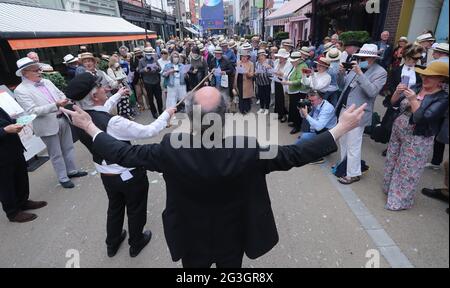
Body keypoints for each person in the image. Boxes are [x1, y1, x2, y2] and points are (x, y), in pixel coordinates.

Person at [64, 85, 367, 268]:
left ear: (191, 117)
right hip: (232, 235)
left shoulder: (171, 149)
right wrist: (340, 129)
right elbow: (293, 155)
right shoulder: (246, 149)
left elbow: (125, 154)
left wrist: (91, 127)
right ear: (226, 114)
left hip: (190, 235)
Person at [65, 72, 176, 257]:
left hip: (106, 174)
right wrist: (167, 113)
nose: (105, 89)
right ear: (94, 95)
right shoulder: (113, 123)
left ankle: (113, 242)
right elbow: (149, 131)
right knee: (135, 208)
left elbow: (100, 108)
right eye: (101, 87)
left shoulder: (78, 116)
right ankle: (136, 242)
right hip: (128, 174)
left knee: (115, 207)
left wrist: (117, 95)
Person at [383, 61, 449, 211]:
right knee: (392, 159)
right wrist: (397, 92)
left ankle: (399, 200)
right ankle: (389, 189)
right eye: (424, 75)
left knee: (408, 168)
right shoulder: (417, 87)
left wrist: (413, 100)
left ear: (441, 80)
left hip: (418, 136)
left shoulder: (443, 98)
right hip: (399, 129)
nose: (425, 78)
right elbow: (393, 103)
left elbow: (422, 118)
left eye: (430, 77)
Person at [14, 57, 87, 188]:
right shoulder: (20, 90)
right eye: (35, 70)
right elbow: (32, 111)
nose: (39, 72)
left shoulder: (47, 82)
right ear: (25, 73)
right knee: (56, 153)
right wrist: (56, 105)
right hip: (46, 124)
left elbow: (60, 94)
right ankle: (63, 178)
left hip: (62, 117)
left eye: (39, 69)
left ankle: (72, 171)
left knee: (68, 147)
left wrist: (64, 100)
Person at [335, 44, 387, 184]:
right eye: (360, 57)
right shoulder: (355, 67)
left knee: (354, 143)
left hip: (358, 113)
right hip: (344, 109)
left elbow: (372, 92)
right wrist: (340, 73)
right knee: (343, 141)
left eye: (365, 57)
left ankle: (353, 173)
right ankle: (343, 166)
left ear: (373, 58)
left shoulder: (380, 72)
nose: (362, 59)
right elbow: (342, 86)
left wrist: (360, 74)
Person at [0, 107, 47, 223]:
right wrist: (4, 130)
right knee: (6, 185)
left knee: (21, 177)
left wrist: (18, 123)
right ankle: (13, 213)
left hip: (13, 148)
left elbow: (6, 120)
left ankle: (23, 202)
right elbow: (4, 128)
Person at [378, 44, 424, 155]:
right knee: (392, 125)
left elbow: (424, 86)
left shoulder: (421, 71)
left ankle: (404, 148)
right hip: (397, 101)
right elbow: (389, 86)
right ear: (407, 56)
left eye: (419, 58)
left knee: (409, 127)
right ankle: (391, 146)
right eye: (415, 58)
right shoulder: (396, 70)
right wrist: (397, 92)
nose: (417, 60)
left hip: (412, 104)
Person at [296, 90, 337, 164]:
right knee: (303, 138)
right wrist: (301, 110)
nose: (310, 102)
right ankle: (321, 148)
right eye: (309, 100)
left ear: (320, 99)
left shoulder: (327, 108)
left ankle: (317, 157)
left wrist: (306, 115)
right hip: (319, 130)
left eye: (312, 100)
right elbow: (303, 117)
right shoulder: (315, 104)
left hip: (328, 132)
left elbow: (319, 127)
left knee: (304, 138)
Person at [282, 51, 309, 134]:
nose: (291, 62)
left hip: (299, 91)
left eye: (293, 61)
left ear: (298, 60)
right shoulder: (296, 65)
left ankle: (298, 126)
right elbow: (291, 75)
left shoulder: (303, 66)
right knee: (293, 107)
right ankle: (295, 123)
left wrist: (288, 83)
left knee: (298, 109)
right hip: (294, 91)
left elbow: (300, 81)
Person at [139, 47, 163, 119]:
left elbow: (160, 69)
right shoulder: (141, 61)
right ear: (145, 54)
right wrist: (145, 69)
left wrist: (156, 68)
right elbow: (139, 70)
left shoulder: (155, 59)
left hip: (156, 80)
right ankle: (154, 112)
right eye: (148, 54)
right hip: (147, 82)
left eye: (150, 53)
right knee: (150, 99)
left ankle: (160, 111)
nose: (149, 55)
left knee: (159, 98)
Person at [107, 55, 132, 119]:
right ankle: (122, 117)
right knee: (120, 103)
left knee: (126, 101)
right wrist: (119, 78)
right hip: (117, 88)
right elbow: (113, 79)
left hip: (123, 85)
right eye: (116, 61)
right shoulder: (110, 70)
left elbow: (124, 75)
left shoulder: (119, 68)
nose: (117, 62)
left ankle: (127, 115)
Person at [273, 49, 292, 122]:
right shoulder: (277, 62)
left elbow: (288, 75)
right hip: (277, 81)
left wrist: (281, 74)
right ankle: (279, 113)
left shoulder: (289, 64)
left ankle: (284, 115)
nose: (280, 58)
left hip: (283, 82)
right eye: (279, 57)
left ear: (285, 57)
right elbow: (274, 70)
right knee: (278, 98)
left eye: (281, 57)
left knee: (283, 99)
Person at [233, 50, 255, 114]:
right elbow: (236, 73)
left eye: (245, 57)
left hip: (246, 82)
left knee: (246, 96)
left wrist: (246, 72)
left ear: (248, 57)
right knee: (240, 95)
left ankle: (246, 109)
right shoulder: (238, 62)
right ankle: (241, 108)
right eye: (242, 56)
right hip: (239, 81)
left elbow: (252, 74)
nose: (244, 58)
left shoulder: (251, 64)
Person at [255, 50, 273, 115]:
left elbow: (272, 71)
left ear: (265, 55)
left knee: (267, 96)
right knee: (261, 95)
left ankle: (267, 108)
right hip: (259, 82)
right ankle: (261, 108)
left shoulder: (269, 61)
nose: (261, 57)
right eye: (259, 55)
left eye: (262, 55)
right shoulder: (257, 63)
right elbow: (255, 72)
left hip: (267, 82)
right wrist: (256, 73)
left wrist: (269, 67)